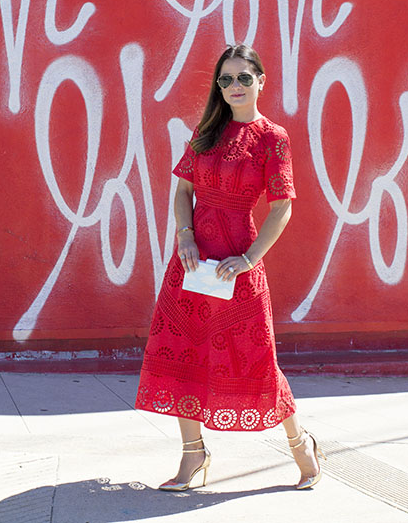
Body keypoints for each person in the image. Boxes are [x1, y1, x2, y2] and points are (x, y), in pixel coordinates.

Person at [134, 44, 324, 491]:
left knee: (259, 361)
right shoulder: (206, 130)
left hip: (236, 267)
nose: (234, 86)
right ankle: (192, 457)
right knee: (184, 356)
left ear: (261, 80)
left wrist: (250, 258)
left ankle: (302, 446)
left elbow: (282, 208)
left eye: (243, 77)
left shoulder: (272, 138)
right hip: (193, 262)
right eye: (225, 79)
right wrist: (184, 234)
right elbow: (183, 192)